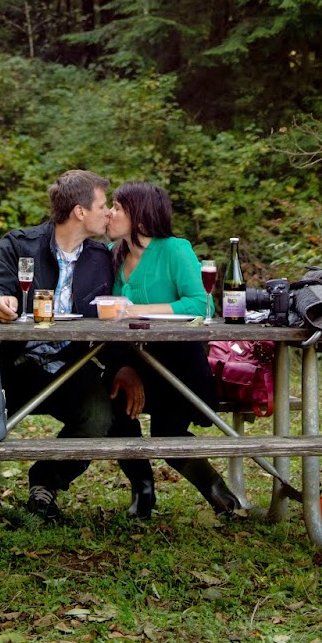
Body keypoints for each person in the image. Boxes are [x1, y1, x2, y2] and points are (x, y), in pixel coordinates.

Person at [0, 168, 144, 521]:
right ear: (80, 212)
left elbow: (113, 314)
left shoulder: (101, 258)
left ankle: (47, 482)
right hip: (11, 363)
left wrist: (124, 364)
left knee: (100, 415)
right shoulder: (19, 244)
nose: (108, 213)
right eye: (101, 206)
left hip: (68, 366)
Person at [105, 181, 241, 519]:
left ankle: (217, 491)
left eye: (117, 207)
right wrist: (125, 365)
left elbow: (200, 304)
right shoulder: (113, 255)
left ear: (138, 217)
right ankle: (143, 489)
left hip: (180, 364)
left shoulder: (175, 249)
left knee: (167, 431)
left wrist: (134, 310)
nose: (109, 212)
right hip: (134, 361)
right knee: (112, 408)